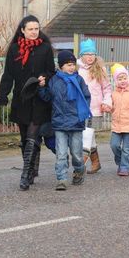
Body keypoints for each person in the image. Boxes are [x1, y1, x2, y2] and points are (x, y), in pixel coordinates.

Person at [0, 15, 55, 190]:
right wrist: (2, 95)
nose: (34, 32)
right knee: (25, 138)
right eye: (30, 29)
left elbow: (52, 71)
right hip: (21, 99)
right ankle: (32, 169)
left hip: (39, 99)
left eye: (36, 29)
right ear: (22, 30)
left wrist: (46, 78)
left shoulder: (45, 48)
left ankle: (25, 174)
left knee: (32, 136)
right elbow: (8, 75)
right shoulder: (14, 49)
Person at [38, 51, 92, 190]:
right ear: (61, 66)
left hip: (76, 123)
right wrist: (42, 87)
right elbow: (48, 98)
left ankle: (79, 170)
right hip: (59, 123)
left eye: (73, 64)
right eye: (68, 65)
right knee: (61, 154)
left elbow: (86, 96)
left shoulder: (79, 80)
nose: (72, 67)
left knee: (76, 154)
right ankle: (61, 179)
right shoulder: (54, 80)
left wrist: (82, 112)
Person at [77, 38, 112, 174]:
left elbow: (107, 89)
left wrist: (107, 102)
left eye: (92, 54)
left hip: (96, 109)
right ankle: (96, 162)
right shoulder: (78, 70)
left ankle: (80, 165)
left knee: (87, 134)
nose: (90, 57)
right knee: (87, 135)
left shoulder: (100, 69)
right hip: (82, 108)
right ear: (82, 55)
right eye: (87, 54)